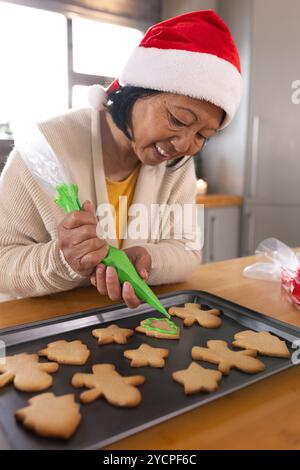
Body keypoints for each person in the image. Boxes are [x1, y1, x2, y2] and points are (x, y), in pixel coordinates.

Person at [0, 10, 242, 306]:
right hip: (38, 328)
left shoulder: (176, 166)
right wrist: (62, 260)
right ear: (135, 91)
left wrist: (148, 259)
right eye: (179, 120)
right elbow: (3, 262)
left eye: (203, 135)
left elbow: (187, 250)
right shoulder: (45, 150)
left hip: (126, 322)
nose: (186, 145)